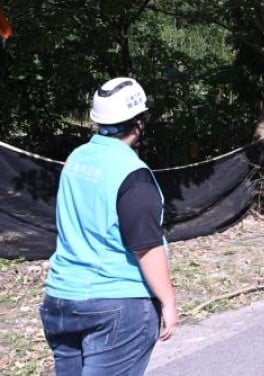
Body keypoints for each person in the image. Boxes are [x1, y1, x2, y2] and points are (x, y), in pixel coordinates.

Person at [40, 77, 177, 375]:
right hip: (116, 304)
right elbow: (146, 246)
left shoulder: (77, 159)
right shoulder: (132, 174)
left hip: (61, 300)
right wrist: (168, 301)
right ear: (139, 122)